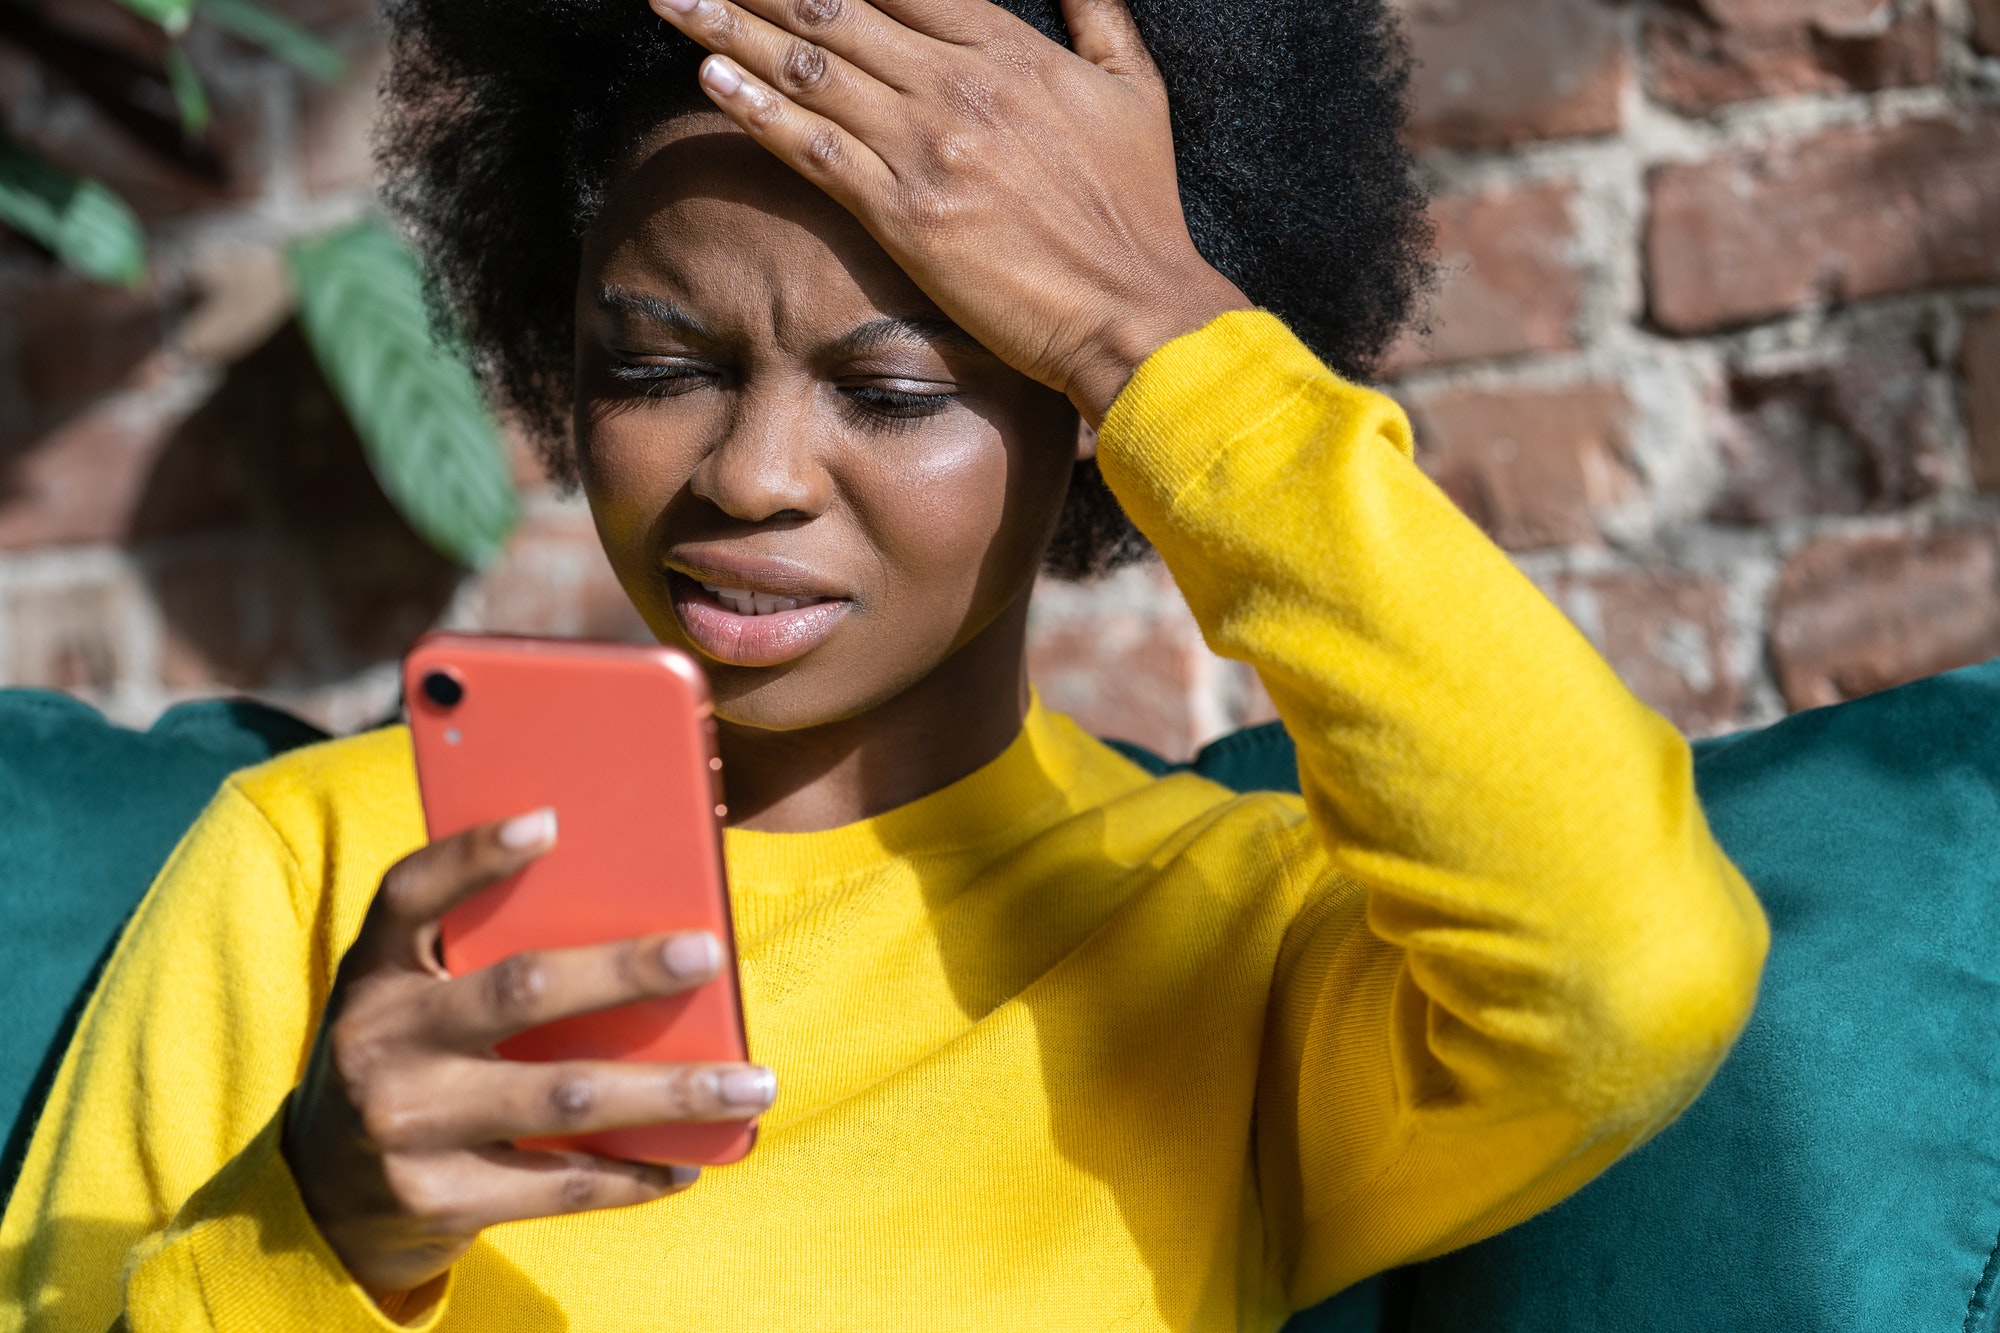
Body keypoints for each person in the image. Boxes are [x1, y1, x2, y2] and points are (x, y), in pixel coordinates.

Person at [0, 0, 1770, 1328]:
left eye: (896, 389)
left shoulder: (1230, 939)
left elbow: (1633, 973)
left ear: (1085, 421)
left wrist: (1149, 318)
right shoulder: (315, 864)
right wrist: (317, 1230)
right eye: (654, 364)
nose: (751, 476)